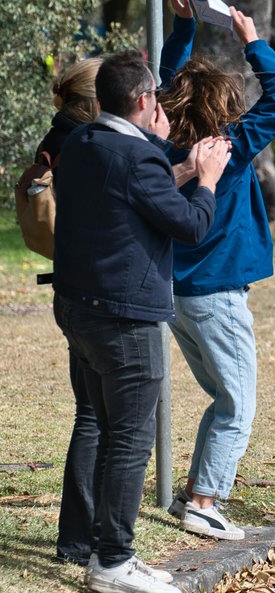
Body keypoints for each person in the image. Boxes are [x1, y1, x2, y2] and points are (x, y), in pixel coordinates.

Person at [53, 50, 230, 593]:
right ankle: (113, 561)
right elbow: (192, 227)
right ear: (145, 99)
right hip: (125, 318)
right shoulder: (137, 159)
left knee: (100, 426)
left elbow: (129, 196)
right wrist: (207, 179)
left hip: (79, 310)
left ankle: (89, 545)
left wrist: (173, 165)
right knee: (131, 438)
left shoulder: (80, 142)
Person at [156, 0, 275, 540]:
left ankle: (195, 491)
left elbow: (169, 80)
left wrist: (184, 28)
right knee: (237, 401)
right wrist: (253, 41)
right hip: (215, 292)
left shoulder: (164, 146)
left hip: (174, 290)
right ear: (224, 106)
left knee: (223, 394)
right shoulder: (227, 147)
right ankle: (205, 501)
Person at [34, 57, 103, 568]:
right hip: (97, 291)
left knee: (90, 416)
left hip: (70, 289)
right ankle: (87, 538)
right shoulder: (87, 143)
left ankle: (79, 536)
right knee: (103, 421)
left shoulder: (58, 138)